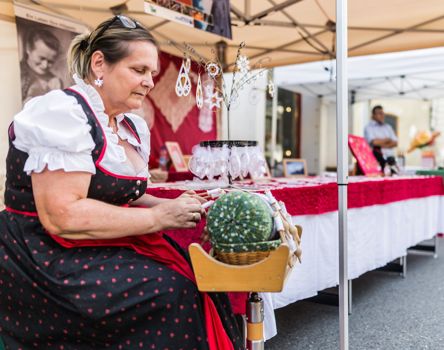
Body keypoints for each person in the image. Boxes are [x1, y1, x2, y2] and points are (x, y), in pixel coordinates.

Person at [0, 15, 242, 349]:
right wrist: (158, 218)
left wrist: (180, 204)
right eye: (139, 70)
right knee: (171, 292)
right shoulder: (61, 113)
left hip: (92, 240)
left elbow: (121, 195)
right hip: (43, 254)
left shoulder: (128, 126)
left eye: (152, 74)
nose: (149, 82)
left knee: (195, 275)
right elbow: (62, 215)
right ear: (99, 63)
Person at [20, 28, 63, 103]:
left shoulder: (55, 81)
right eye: (41, 58)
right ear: (28, 49)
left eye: (50, 61)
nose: (45, 65)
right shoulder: (17, 72)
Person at [364, 105, 398, 171]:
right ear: (373, 115)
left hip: (390, 160)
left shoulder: (388, 127)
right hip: (376, 161)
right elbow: (374, 142)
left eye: (382, 113)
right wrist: (387, 140)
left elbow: (395, 143)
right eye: (379, 113)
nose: (382, 115)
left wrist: (380, 144)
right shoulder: (368, 127)